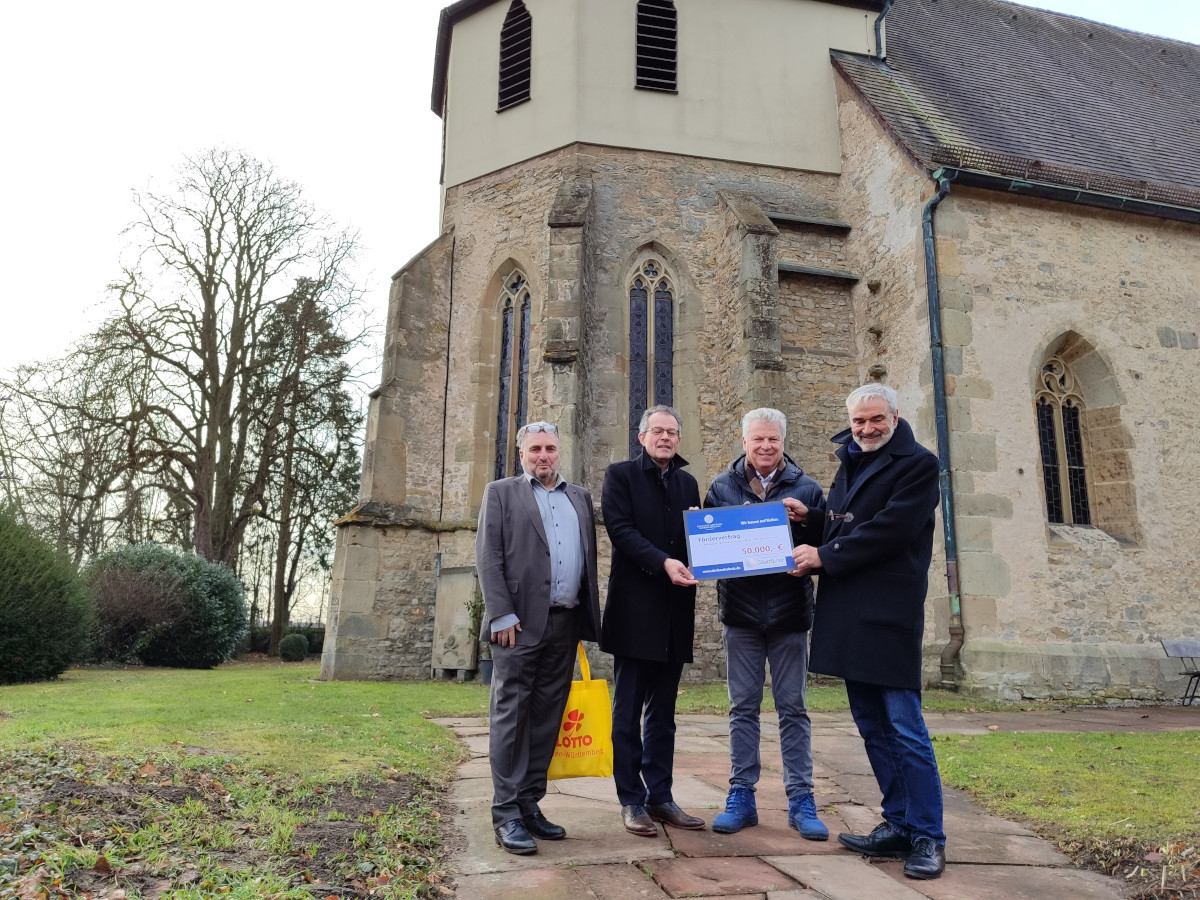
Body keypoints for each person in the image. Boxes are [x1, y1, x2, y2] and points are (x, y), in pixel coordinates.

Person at [791, 383, 946, 879]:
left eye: (875, 419)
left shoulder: (919, 465)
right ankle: (898, 822)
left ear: (895, 418)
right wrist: (812, 521)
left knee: (906, 729)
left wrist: (823, 556)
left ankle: (928, 836)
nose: (866, 429)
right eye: (858, 421)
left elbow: (890, 529)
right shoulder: (852, 460)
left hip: (888, 615)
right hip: (847, 614)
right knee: (873, 727)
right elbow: (847, 524)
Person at [475, 420, 602, 855]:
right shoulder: (501, 493)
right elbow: (489, 558)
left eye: (550, 448)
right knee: (511, 716)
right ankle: (506, 812)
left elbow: (587, 561)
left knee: (548, 716)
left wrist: (586, 619)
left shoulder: (579, 497)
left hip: (565, 624)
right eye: (535, 450)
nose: (543, 456)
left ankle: (530, 803)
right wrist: (501, 615)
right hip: (517, 625)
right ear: (522, 453)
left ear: (559, 452)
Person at [702, 408, 828, 841]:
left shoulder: (808, 488)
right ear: (744, 442)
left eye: (773, 439)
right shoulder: (721, 487)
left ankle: (801, 799)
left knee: (793, 708)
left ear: (783, 442)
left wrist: (808, 521)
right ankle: (741, 795)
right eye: (757, 440)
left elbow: (827, 547)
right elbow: (708, 548)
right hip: (740, 615)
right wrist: (701, 533)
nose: (765, 447)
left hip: (790, 614)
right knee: (743, 708)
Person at [600, 405, 705, 837]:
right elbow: (620, 531)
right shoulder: (620, 475)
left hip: (675, 613)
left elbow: (701, 536)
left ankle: (660, 796)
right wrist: (664, 562)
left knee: (664, 713)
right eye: (657, 431)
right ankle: (631, 799)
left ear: (679, 439)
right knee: (626, 714)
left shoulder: (687, 483)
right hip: (634, 611)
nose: (665, 437)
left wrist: (710, 559)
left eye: (672, 432)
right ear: (641, 436)